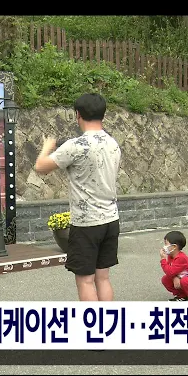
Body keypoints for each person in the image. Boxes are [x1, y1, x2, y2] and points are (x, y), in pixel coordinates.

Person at [34, 93, 122, 302]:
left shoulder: (76, 145)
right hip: (111, 219)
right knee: (103, 278)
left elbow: (40, 167)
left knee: (85, 281)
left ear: (78, 115)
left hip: (86, 223)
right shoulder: (113, 144)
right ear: (103, 115)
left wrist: (47, 147)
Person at [159, 230, 188, 301]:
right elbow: (171, 272)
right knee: (165, 279)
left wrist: (163, 259)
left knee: (185, 280)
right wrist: (175, 278)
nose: (164, 247)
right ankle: (182, 296)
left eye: (166, 244)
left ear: (174, 246)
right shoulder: (170, 256)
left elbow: (170, 272)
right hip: (184, 279)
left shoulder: (181, 258)